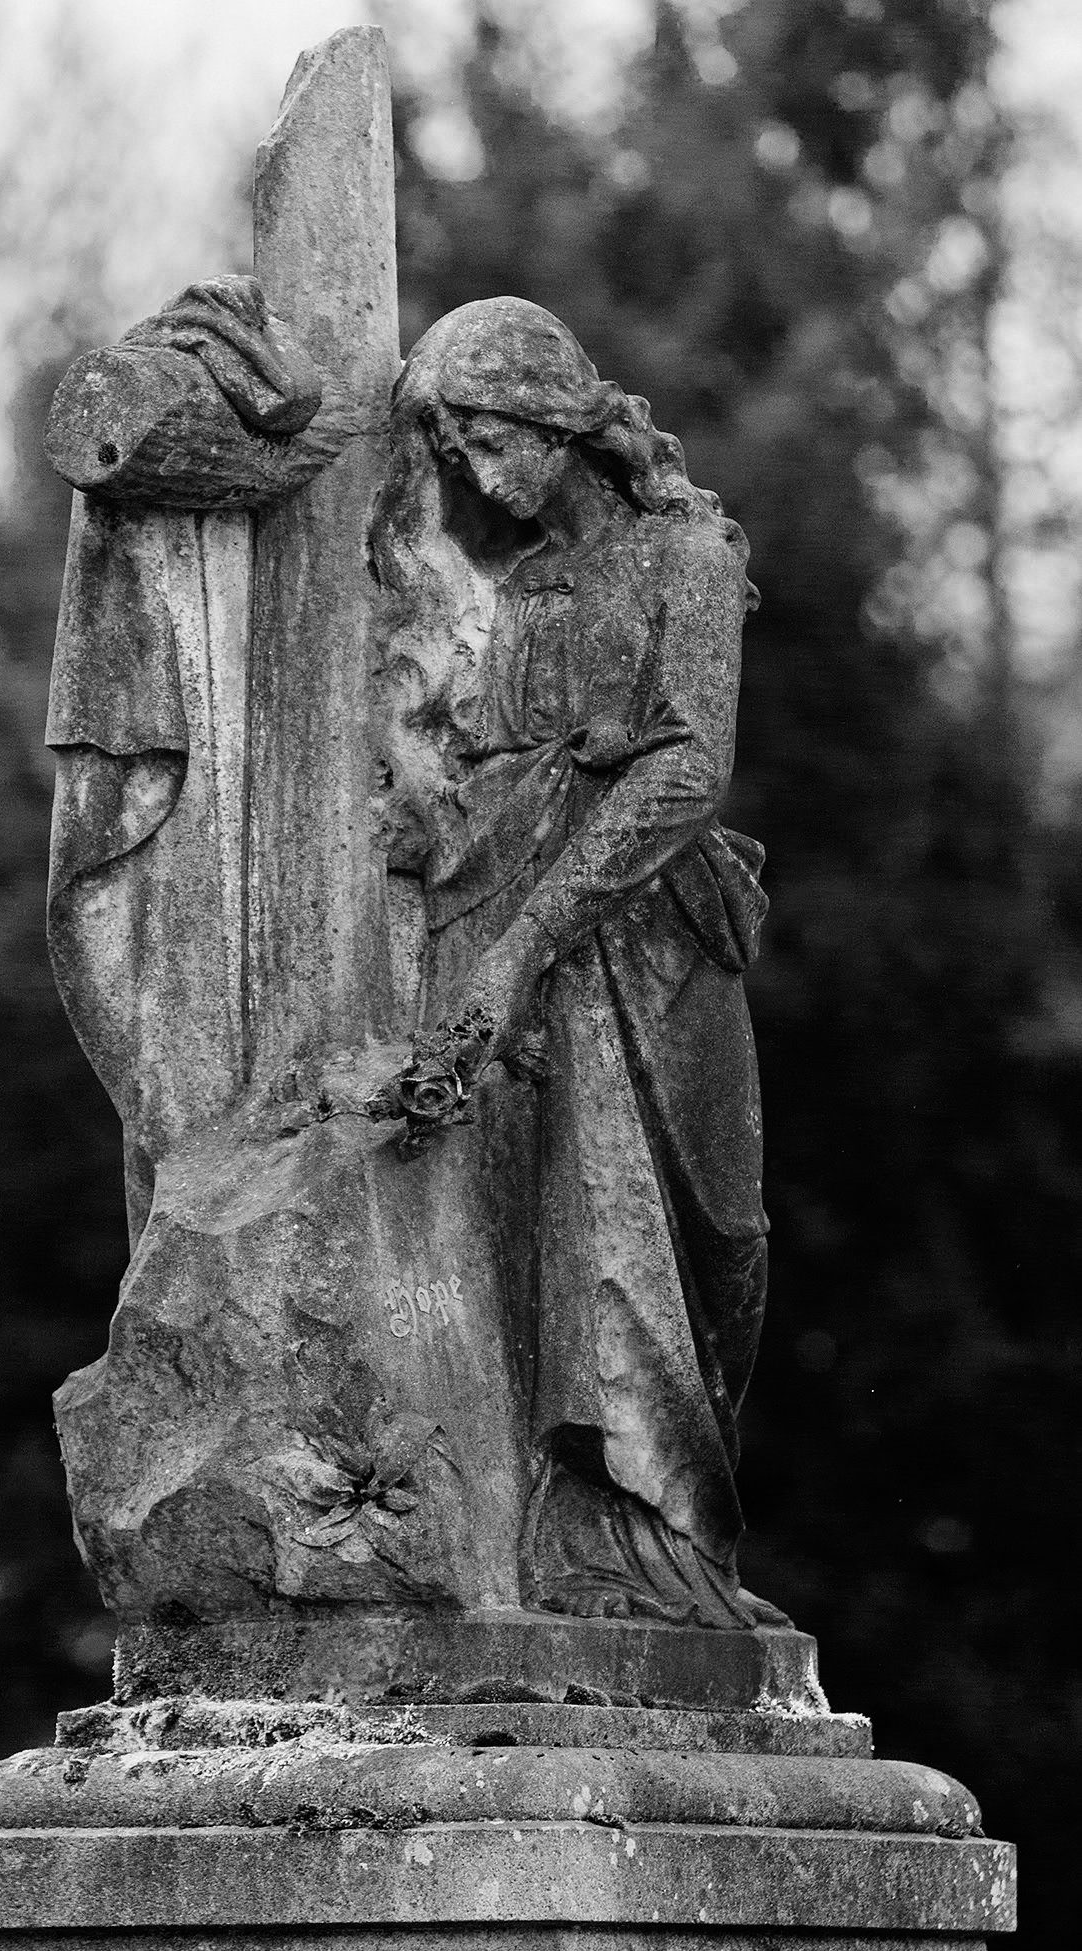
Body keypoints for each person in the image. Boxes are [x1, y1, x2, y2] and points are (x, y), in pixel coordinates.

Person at [370, 298, 787, 1629]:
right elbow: (488, 773)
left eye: (493, 443)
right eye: (457, 457)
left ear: (558, 422)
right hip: (518, 970)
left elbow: (686, 771)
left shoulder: (686, 554)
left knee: (711, 1240)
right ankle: (590, 1550)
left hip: (649, 951)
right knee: (545, 1249)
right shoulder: (518, 592)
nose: (481, 481)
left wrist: (529, 933)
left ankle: (680, 1536)